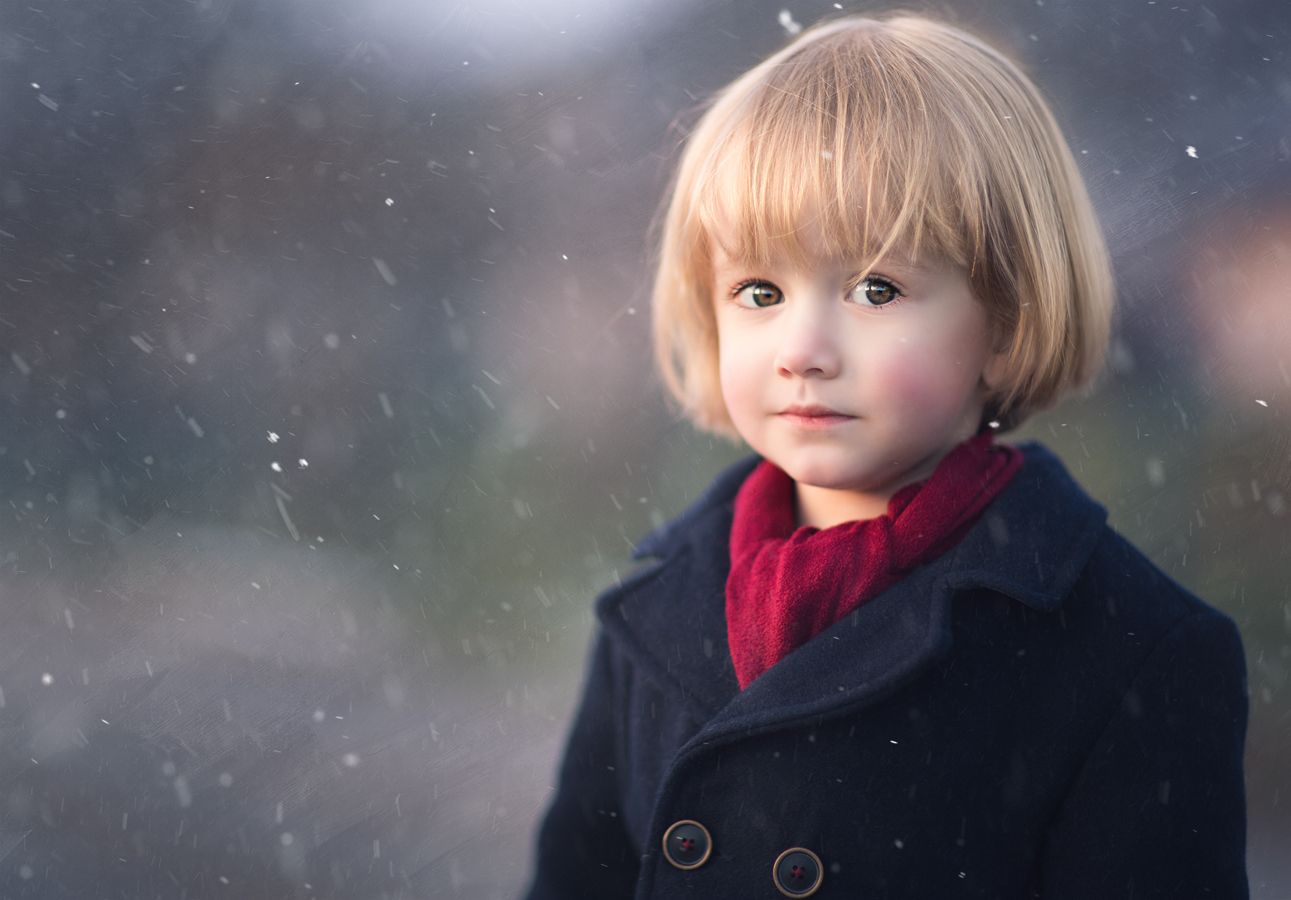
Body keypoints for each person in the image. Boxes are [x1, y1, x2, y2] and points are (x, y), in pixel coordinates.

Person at [525, 13, 1248, 899]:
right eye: (758, 290)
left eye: (877, 287)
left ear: (1005, 317)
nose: (803, 346)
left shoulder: (1131, 652)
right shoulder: (656, 609)